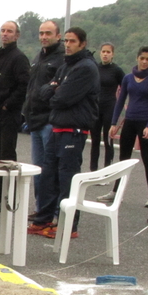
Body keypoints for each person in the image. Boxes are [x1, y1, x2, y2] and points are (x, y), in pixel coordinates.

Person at [27, 27, 100, 238]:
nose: (67, 45)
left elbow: (62, 98)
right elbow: (43, 92)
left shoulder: (86, 68)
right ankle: (44, 219)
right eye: (66, 41)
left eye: (72, 41)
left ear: (82, 43)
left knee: (67, 178)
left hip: (73, 130)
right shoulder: (65, 66)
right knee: (48, 174)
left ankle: (69, 225)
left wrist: (55, 90)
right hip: (57, 127)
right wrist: (55, 88)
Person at [100, 46, 148, 206]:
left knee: (147, 157)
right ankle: (116, 191)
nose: (144, 61)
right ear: (137, 59)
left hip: (144, 122)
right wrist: (114, 123)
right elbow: (120, 101)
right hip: (129, 121)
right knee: (123, 159)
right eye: (142, 58)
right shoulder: (128, 78)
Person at [0, 20, 30, 212]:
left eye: (9, 31)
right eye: (3, 31)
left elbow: (23, 86)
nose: (5, 34)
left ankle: (8, 197)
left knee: (7, 155)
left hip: (8, 113)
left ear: (16, 35)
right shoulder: (0, 57)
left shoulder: (19, 58)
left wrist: (7, 105)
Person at [22, 20, 64, 216]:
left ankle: (53, 210)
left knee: (50, 169)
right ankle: (41, 208)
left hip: (49, 120)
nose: (44, 37)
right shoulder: (39, 57)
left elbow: (59, 89)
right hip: (35, 119)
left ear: (58, 36)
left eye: (48, 33)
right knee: (37, 169)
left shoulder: (61, 59)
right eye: (41, 33)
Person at [90, 43, 125, 171]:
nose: (105, 54)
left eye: (108, 52)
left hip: (110, 107)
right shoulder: (95, 68)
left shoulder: (116, 70)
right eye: (103, 51)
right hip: (96, 107)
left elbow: (125, 88)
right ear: (100, 53)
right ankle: (93, 170)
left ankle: (107, 171)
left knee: (107, 140)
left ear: (112, 54)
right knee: (95, 140)